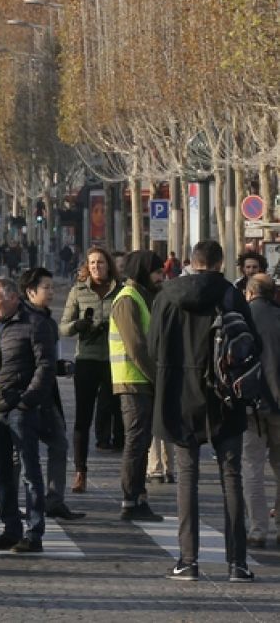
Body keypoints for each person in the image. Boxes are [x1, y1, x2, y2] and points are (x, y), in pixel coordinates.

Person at [150, 240, 255, 583]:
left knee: (187, 477)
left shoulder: (166, 296)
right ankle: (237, 563)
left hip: (179, 395)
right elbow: (249, 343)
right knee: (231, 477)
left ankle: (188, 560)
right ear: (220, 262)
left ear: (191, 262)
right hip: (225, 397)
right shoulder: (230, 295)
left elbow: (153, 347)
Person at [0, 277, 54, 553]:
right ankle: (10, 528)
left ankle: (34, 532)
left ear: (13, 298)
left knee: (29, 470)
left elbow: (45, 366)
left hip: (20, 409)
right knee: (0, 472)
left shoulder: (34, 324)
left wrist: (27, 401)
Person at [19, 267, 84, 521]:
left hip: (48, 395)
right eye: (46, 288)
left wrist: (60, 366)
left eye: (51, 287)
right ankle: (28, 503)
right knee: (25, 454)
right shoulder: (23, 320)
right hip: (28, 396)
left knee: (58, 445)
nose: (51, 292)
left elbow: (46, 360)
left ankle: (54, 500)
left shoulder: (46, 319)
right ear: (30, 291)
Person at [59, 246, 122, 493]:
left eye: (101, 262)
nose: (96, 266)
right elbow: (63, 328)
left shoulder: (122, 289)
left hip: (115, 360)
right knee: (83, 419)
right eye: (92, 263)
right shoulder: (78, 290)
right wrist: (80, 325)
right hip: (87, 359)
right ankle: (80, 472)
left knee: (122, 414)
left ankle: (131, 474)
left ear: (109, 265)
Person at [109, 251, 165, 522]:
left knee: (142, 442)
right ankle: (131, 500)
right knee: (136, 441)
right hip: (133, 381)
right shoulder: (128, 300)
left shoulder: (144, 296)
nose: (160, 276)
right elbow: (136, 347)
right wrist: (158, 377)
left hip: (141, 381)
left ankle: (138, 496)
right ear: (143, 271)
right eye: (156, 271)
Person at [241, 274, 280, 549]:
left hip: (250, 406)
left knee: (252, 466)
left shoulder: (241, 318)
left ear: (250, 293)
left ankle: (257, 530)